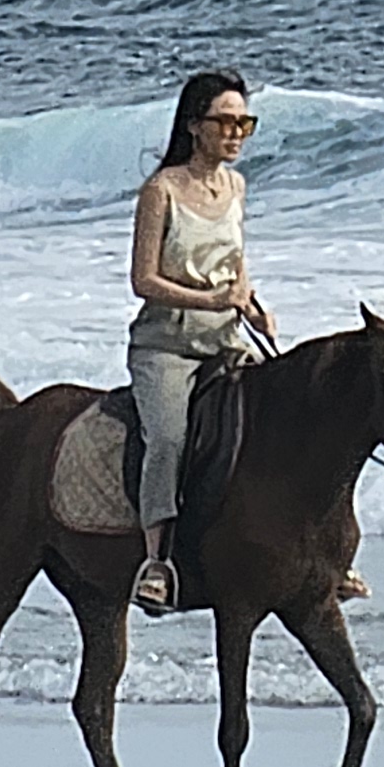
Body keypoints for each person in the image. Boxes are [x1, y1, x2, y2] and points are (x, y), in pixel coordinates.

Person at [126, 68, 272, 612]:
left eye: (244, 123)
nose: (236, 133)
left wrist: (252, 305)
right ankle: (157, 562)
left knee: (287, 413)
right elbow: (143, 281)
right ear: (194, 126)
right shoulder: (160, 191)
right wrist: (210, 301)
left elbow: (236, 262)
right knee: (167, 438)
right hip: (166, 343)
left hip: (227, 337)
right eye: (225, 122)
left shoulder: (235, 186)